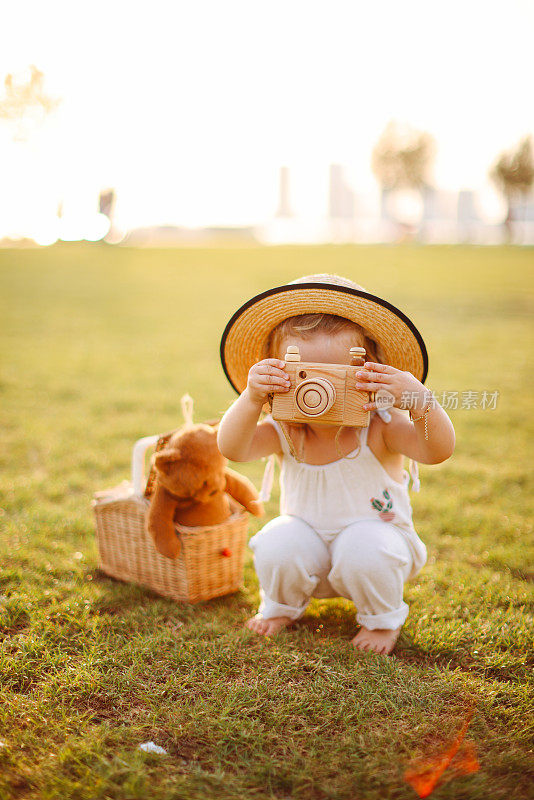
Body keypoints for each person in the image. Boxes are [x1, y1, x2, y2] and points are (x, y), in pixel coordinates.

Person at [217, 274, 455, 655]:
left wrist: (421, 402)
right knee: (278, 538)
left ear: (371, 374)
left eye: (339, 377)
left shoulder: (382, 427)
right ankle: (281, 607)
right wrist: (250, 399)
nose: (320, 392)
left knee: (365, 545)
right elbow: (232, 448)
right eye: (305, 376)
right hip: (309, 554)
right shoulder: (286, 429)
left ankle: (381, 619)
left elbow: (437, 451)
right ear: (278, 376)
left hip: (377, 552)